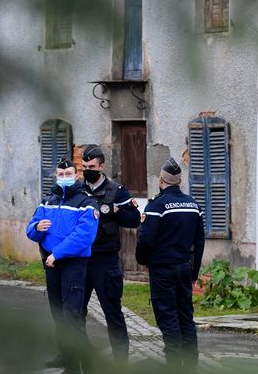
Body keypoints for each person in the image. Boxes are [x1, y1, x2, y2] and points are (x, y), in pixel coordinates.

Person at [26, 157, 100, 373]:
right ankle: (70, 366)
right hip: (52, 265)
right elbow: (30, 229)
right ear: (56, 175)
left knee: (72, 318)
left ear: (76, 175)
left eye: (68, 174)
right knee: (59, 317)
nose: (65, 178)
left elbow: (84, 236)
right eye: (61, 174)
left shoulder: (86, 201)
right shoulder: (48, 200)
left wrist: (57, 254)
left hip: (73, 265)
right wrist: (37, 227)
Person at [135, 157, 206, 370]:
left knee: (168, 317)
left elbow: (145, 239)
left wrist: (142, 259)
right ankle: (191, 366)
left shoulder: (157, 205)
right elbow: (199, 242)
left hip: (163, 270)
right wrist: (194, 272)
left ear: (161, 180)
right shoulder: (193, 205)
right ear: (180, 180)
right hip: (184, 267)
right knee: (186, 316)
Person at [79, 144, 140, 364]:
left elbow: (135, 219)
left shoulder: (117, 190)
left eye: (92, 166)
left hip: (105, 261)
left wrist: (114, 211)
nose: (88, 170)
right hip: (80, 261)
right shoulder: (77, 189)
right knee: (75, 315)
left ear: (102, 166)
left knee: (113, 314)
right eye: (84, 166)